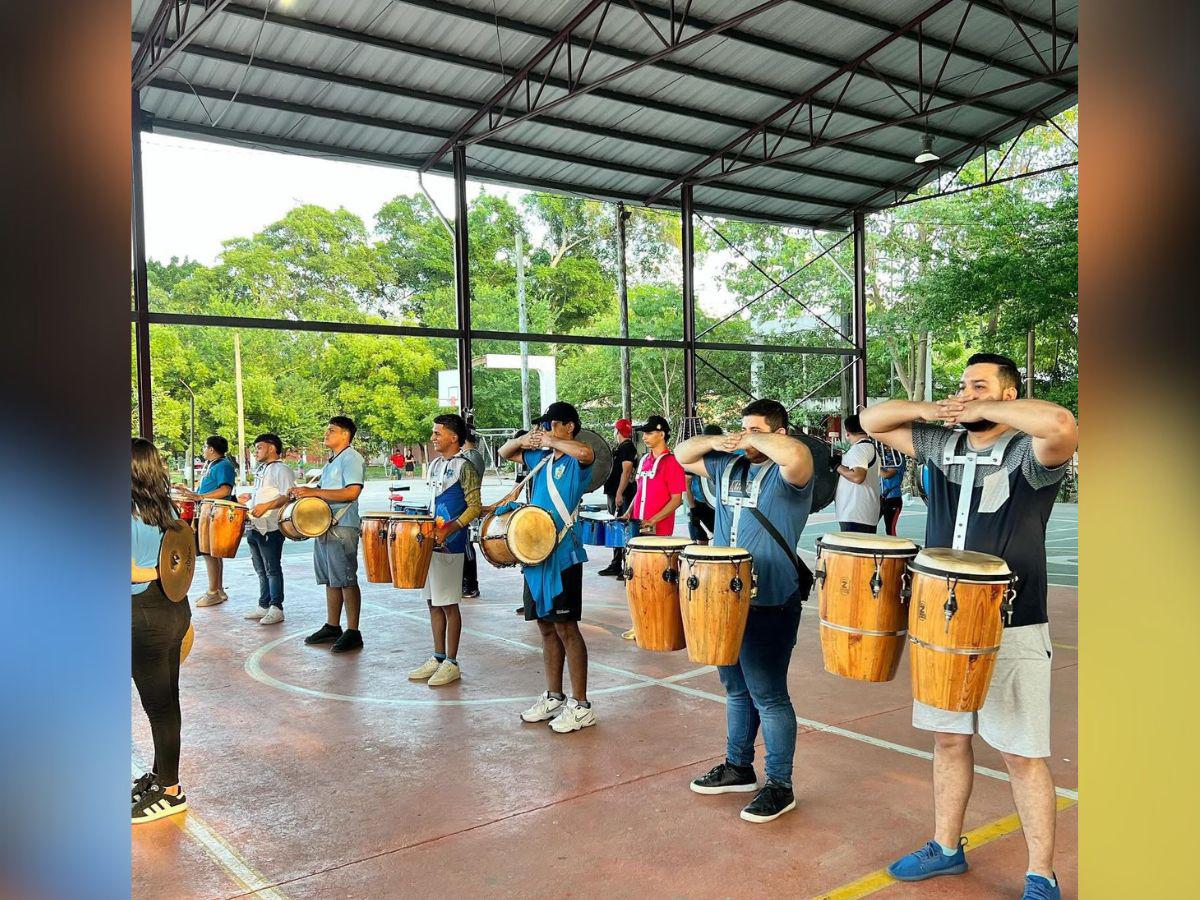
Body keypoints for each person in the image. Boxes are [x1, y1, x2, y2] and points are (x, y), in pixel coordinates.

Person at [860, 352, 1078, 900]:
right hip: (940, 621)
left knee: (1022, 754)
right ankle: (946, 846)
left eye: (979, 385)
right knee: (948, 740)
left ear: (1010, 395)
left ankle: (1041, 875)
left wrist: (981, 405)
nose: (965, 393)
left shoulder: (1032, 452)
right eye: (962, 385)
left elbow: (1061, 424)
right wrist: (939, 407)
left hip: (1014, 621)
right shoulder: (943, 445)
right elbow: (872, 419)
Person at [675, 399, 815, 824]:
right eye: (744, 428)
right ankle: (738, 766)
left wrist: (756, 440)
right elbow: (683, 455)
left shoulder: (790, 471)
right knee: (735, 686)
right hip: (724, 598)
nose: (747, 437)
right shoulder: (727, 466)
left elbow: (796, 455)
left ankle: (780, 784)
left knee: (769, 693)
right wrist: (723, 439)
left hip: (771, 595)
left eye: (758, 430)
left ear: (779, 432)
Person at [496, 401, 596, 733]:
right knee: (545, 626)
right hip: (535, 554)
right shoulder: (539, 458)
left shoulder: (576, 460)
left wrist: (552, 441)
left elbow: (586, 453)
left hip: (564, 554)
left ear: (568, 426)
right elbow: (503, 451)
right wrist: (525, 440)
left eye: (552, 425)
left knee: (568, 628)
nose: (546, 431)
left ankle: (581, 705)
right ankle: (554, 695)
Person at [131, 438, 192, 824]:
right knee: (168, 702)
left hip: (143, 615)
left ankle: (170, 791)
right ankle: (161, 777)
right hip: (172, 608)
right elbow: (180, 559)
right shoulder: (164, 507)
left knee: (160, 707)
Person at [408, 414, 483, 687]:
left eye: (437, 433)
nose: (433, 438)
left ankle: (452, 661)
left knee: (449, 603)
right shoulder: (436, 465)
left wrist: (451, 528)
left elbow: (474, 506)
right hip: (431, 541)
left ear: (453, 436)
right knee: (432, 601)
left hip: (451, 543)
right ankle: (438, 656)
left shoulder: (466, 466)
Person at [291, 416, 366, 653]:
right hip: (325, 525)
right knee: (330, 579)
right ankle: (333, 625)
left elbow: (352, 492)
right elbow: (326, 492)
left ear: (345, 435)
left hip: (342, 525)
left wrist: (315, 492)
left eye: (332, 430)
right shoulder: (331, 461)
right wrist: (304, 493)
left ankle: (353, 631)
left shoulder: (351, 458)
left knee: (345, 578)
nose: (327, 434)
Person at [617, 415, 686, 639]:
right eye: (644, 433)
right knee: (637, 578)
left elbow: (677, 500)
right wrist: (629, 511)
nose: (645, 437)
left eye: (649, 433)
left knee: (658, 582)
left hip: (659, 532)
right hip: (640, 528)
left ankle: (661, 624)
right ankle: (641, 623)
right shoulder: (645, 459)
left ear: (662, 434)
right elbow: (640, 490)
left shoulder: (672, 463)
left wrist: (654, 520)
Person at [237, 433, 295, 626]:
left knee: (272, 568)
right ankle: (264, 603)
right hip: (255, 524)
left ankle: (276, 606)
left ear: (271, 447)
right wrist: (251, 498)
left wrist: (266, 506)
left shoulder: (282, 469)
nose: (256, 451)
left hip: (270, 526)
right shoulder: (263, 469)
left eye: (259, 447)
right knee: (260, 568)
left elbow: (288, 495)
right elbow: (264, 494)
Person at [174, 435, 235, 606]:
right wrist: (189, 492)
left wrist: (199, 496)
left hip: (213, 511)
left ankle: (213, 591)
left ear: (211, 449)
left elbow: (225, 489)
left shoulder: (223, 465)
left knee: (209, 552)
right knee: (212, 552)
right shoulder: (213, 465)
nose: (202, 450)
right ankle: (218, 589)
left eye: (204, 447)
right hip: (207, 509)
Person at [598, 418, 638, 578]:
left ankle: (626, 565)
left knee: (623, 528)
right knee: (617, 527)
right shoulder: (623, 447)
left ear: (618, 431)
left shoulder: (627, 447)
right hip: (616, 492)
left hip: (622, 494)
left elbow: (627, 470)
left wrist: (620, 493)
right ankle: (616, 563)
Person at [833, 414, 880, 533]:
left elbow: (858, 477)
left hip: (855, 514)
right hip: (863, 514)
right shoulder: (870, 448)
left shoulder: (859, 449)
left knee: (855, 550)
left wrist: (837, 466)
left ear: (847, 432)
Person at [685, 424, 723, 545]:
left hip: (721, 504)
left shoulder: (725, 455)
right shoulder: (695, 457)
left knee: (722, 541)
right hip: (700, 503)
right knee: (701, 543)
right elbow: (686, 482)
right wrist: (692, 508)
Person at [460, 432, 487, 600]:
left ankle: (470, 584)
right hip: (463, 506)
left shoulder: (471, 456)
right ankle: (465, 582)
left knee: (467, 547)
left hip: (468, 506)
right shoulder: (468, 456)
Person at [878, 445, 907, 536]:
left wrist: (875, 465)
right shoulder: (884, 458)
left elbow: (887, 474)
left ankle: (895, 548)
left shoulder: (897, 458)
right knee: (870, 525)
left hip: (893, 499)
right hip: (880, 497)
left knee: (890, 529)